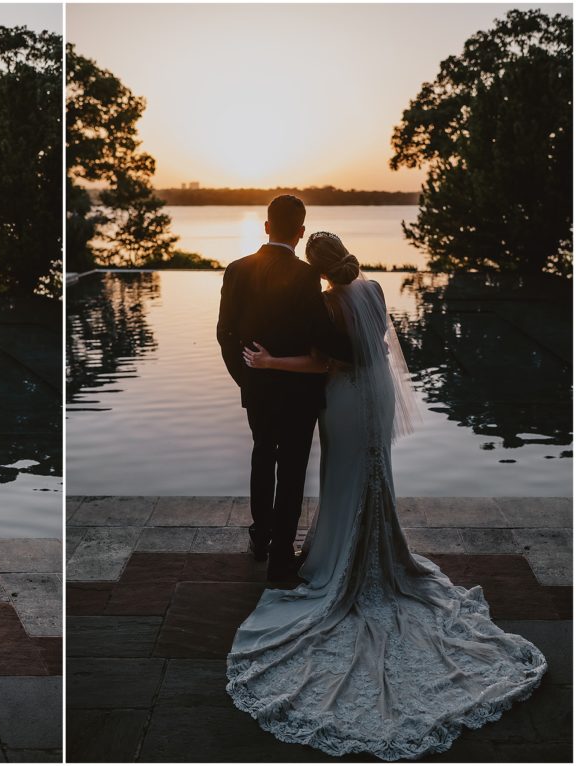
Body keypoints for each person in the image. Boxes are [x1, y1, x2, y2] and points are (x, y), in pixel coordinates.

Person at [225, 231, 546, 759]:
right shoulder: (371, 291)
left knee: (344, 475)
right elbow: (370, 353)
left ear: (316, 266)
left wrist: (267, 363)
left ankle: (339, 559)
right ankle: (380, 547)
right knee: (375, 472)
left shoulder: (327, 302)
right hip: (376, 397)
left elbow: (326, 362)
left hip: (344, 401)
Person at [216, 195, 352, 582]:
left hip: (256, 387)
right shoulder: (307, 275)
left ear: (266, 226)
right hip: (299, 391)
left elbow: (224, 333)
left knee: (262, 456)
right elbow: (320, 336)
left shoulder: (237, 269)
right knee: (292, 470)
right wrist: (361, 352)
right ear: (301, 232)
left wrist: (246, 377)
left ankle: (260, 538)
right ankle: (280, 560)